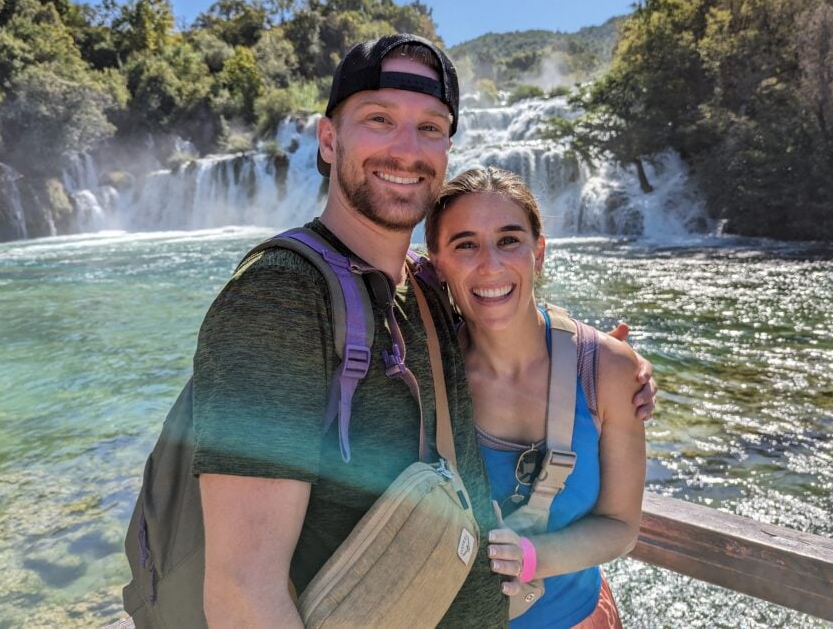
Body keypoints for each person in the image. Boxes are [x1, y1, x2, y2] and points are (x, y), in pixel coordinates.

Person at [191, 34, 655, 627]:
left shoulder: (426, 292)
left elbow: (504, 303)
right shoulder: (281, 299)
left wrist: (610, 362)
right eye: (379, 119)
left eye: (430, 127)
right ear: (329, 139)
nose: (407, 149)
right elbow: (241, 594)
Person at [425, 166, 646, 628]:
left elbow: (621, 526)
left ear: (538, 253)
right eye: (465, 245)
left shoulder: (606, 369)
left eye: (509, 240)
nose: (490, 264)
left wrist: (532, 557)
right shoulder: (424, 370)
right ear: (437, 262)